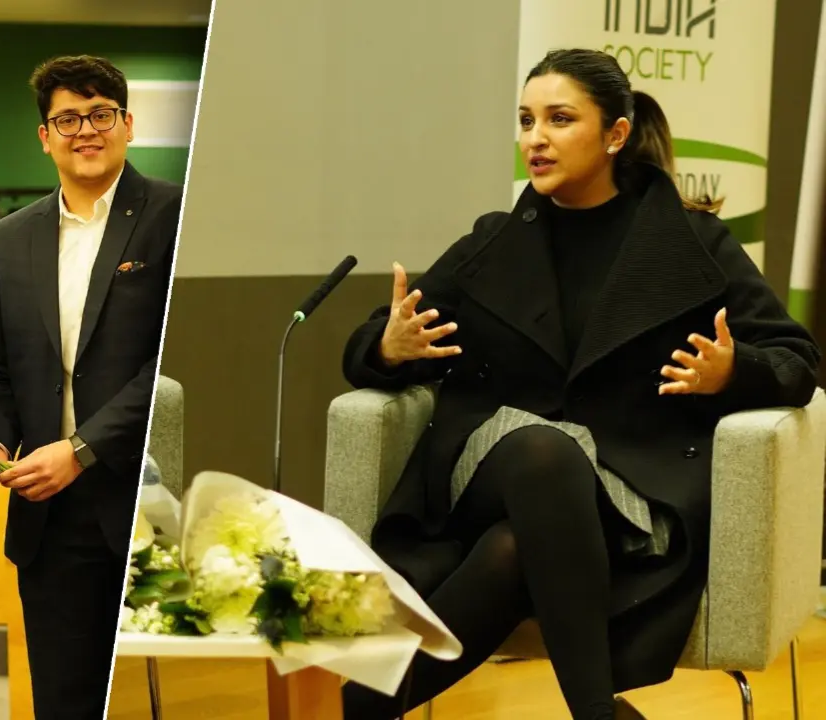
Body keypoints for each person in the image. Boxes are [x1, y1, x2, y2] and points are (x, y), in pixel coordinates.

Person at [339, 48, 821, 720]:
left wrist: (732, 371)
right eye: (527, 120)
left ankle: (354, 706)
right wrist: (389, 349)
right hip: (491, 468)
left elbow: (797, 360)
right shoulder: (495, 242)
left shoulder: (694, 244)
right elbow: (376, 339)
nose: (535, 138)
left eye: (559, 119)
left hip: (620, 494)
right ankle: (597, 712)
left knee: (513, 550)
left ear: (615, 134)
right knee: (541, 450)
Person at [0, 55, 182, 719]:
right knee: (62, 697)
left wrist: (81, 449)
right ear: (44, 135)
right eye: (67, 118)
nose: (86, 129)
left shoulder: (172, 214)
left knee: (139, 698)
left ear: (128, 124)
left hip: (137, 496)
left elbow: (164, 364)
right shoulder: (7, 239)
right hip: (48, 518)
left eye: (101, 114)